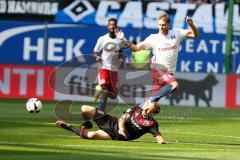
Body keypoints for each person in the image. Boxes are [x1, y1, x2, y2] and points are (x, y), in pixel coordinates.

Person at [115, 13, 199, 101]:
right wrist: (123, 39)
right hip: (158, 70)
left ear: (168, 25)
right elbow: (135, 48)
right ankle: (152, 100)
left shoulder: (177, 32)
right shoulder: (153, 38)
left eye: (163, 25)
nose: (161, 27)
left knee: (150, 105)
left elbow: (195, 35)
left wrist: (191, 25)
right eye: (159, 25)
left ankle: (132, 112)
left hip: (169, 72)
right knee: (174, 85)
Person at [56, 93, 166, 144]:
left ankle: (68, 127)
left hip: (115, 135)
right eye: (147, 108)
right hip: (111, 121)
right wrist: (121, 129)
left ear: (153, 114)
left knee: (92, 135)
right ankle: (87, 123)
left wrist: (162, 142)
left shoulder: (152, 123)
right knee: (84, 108)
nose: (146, 110)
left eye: (149, 111)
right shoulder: (136, 109)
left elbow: (158, 137)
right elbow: (123, 118)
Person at [92, 18, 125, 112]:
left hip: (114, 70)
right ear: (108, 27)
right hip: (104, 68)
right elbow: (95, 52)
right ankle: (101, 111)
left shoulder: (120, 39)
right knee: (105, 91)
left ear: (116, 27)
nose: (112, 26)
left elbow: (120, 50)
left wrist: (120, 58)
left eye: (114, 24)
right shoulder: (102, 39)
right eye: (110, 24)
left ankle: (98, 88)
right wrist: (97, 57)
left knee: (113, 96)